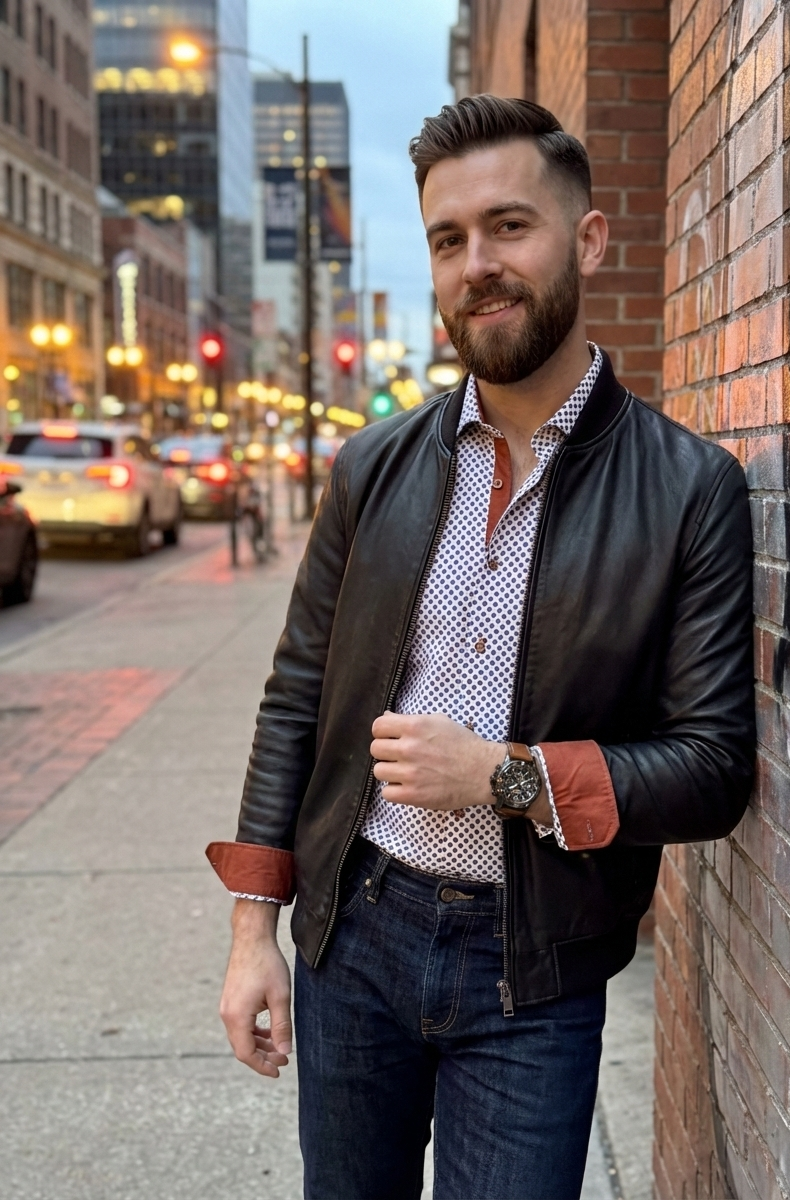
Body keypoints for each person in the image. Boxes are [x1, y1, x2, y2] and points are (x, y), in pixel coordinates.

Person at [206, 94, 755, 1200]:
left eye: (509, 226)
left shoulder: (688, 489)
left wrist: (504, 776)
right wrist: (253, 930)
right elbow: (297, 697)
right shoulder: (374, 466)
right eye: (448, 240)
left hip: (533, 968)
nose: (478, 266)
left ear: (587, 239)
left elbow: (711, 767)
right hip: (353, 933)